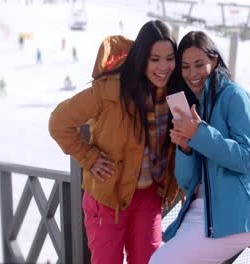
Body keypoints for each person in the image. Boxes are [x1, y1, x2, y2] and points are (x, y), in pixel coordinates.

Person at [49, 20, 179, 264]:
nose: (164, 67)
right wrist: (89, 158)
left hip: (149, 197)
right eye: (155, 59)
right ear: (142, 59)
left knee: (149, 260)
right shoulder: (110, 91)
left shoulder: (174, 92)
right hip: (109, 197)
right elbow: (59, 122)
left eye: (170, 58)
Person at [150, 31, 250, 263]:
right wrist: (186, 148)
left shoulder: (235, 97)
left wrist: (200, 133)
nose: (192, 74)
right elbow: (188, 182)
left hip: (238, 215)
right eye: (185, 67)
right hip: (201, 212)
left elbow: (245, 159)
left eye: (199, 64)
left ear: (214, 60)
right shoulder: (195, 106)